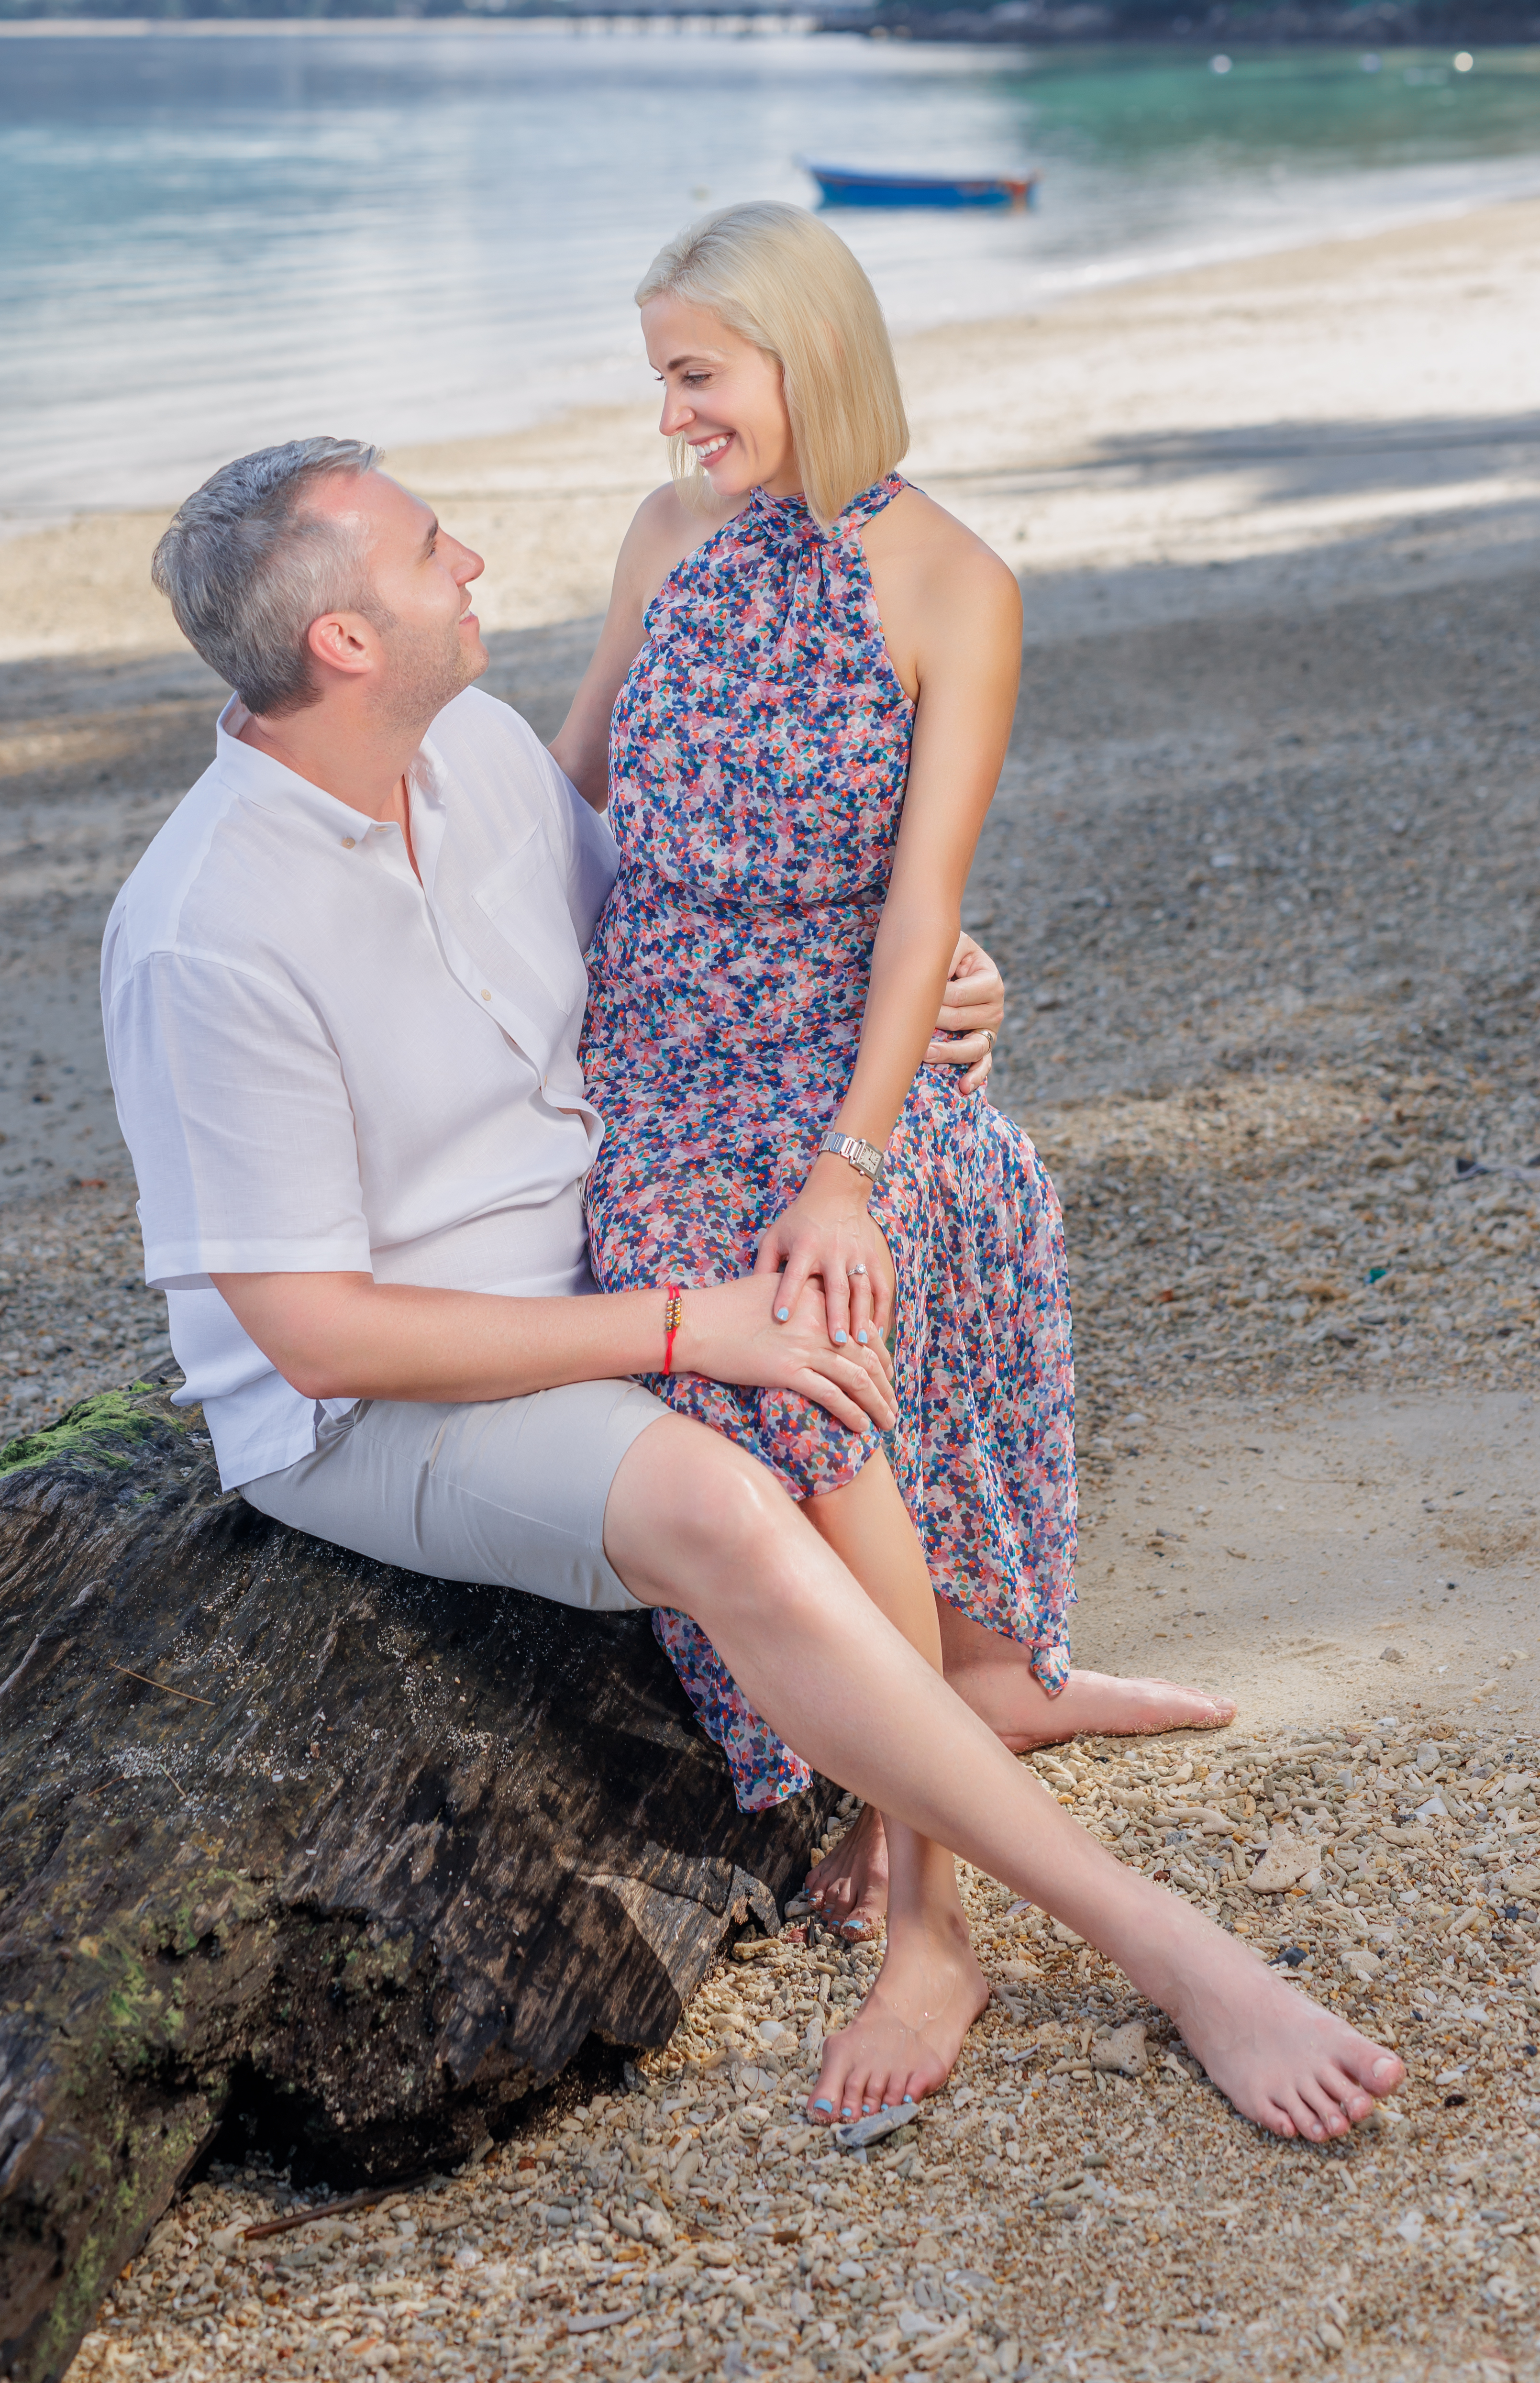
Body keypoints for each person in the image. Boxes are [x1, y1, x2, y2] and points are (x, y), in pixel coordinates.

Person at [100, 431, 1402, 2143]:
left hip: (603, 1246)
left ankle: (975, 1675)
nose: (474, 562)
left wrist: (938, 990)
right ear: (342, 641)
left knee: (880, 1206)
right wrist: (680, 1326)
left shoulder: (478, 751)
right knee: (728, 1493)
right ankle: (1169, 1956)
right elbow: (311, 1332)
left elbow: (694, 941)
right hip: (387, 1401)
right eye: (431, 551)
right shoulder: (210, 929)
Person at [553, 202, 1226, 1942]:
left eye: (696, 376)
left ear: (806, 355)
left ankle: (927, 1874)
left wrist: (851, 1159)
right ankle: (967, 1725)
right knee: (765, 1335)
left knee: (827, 1316)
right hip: (661, 1053)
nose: (672, 415)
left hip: (847, 1069)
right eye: (660, 380)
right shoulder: (665, 535)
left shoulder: (953, 585)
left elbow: (928, 904)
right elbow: (571, 787)